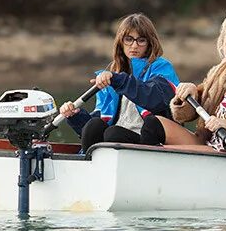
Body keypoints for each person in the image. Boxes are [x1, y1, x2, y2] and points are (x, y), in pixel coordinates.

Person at [142, 12, 226, 155]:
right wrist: (190, 92)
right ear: (222, 45)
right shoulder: (217, 73)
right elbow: (188, 113)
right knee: (153, 124)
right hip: (206, 144)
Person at [59, 13, 179, 150]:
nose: (134, 46)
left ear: (149, 43)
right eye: (129, 39)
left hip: (150, 139)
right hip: (116, 136)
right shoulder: (112, 73)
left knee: (113, 133)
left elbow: (154, 98)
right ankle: (89, 165)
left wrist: (118, 80)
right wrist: (75, 116)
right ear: (121, 42)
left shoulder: (161, 67)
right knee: (94, 126)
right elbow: (98, 123)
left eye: (141, 40)